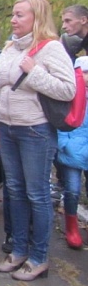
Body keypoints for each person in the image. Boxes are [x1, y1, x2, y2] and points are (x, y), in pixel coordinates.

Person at [0, 0, 76, 281]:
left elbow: (67, 90)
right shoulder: (9, 47)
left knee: (37, 194)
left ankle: (39, 257)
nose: (13, 20)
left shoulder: (51, 48)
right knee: (14, 191)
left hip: (35, 130)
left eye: (20, 15)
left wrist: (35, 72)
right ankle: (18, 250)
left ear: (36, 18)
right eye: (13, 15)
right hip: (7, 128)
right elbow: (0, 89)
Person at [57, 56, 88, 249]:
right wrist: (64, 145)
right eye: (84, 72)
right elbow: (60, 122)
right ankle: (71, 226)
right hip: (72, 152)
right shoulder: (69, 96)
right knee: (73, 190)